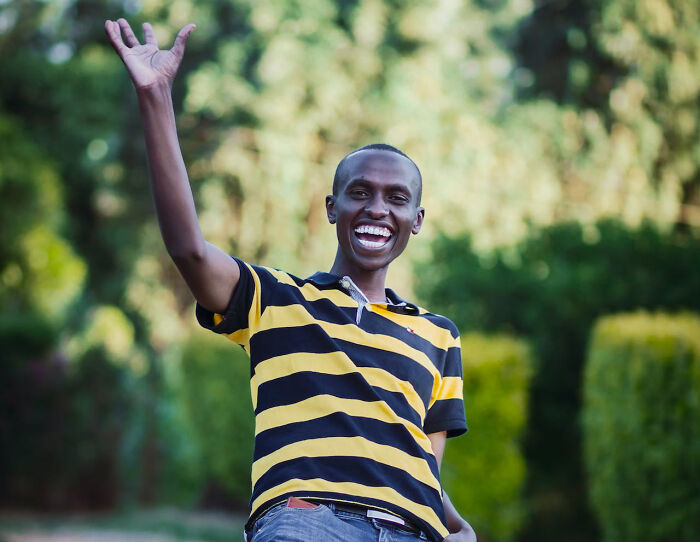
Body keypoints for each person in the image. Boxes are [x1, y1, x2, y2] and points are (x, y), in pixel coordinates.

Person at [105, 18, 477, 542]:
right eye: (360, 193)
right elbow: (189, 249)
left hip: (411, 531)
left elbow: (422, 467)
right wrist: (156, 98)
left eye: (396, 199)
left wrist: (458, 527)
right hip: (308, 520)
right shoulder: (275, 299)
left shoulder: (439, 336)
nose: (377, 208)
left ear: (416, 220)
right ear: (332, 207)